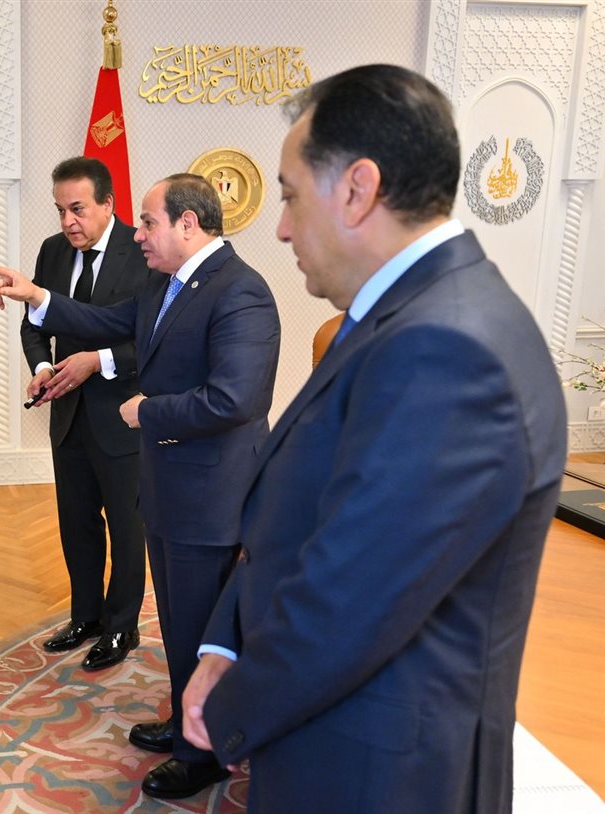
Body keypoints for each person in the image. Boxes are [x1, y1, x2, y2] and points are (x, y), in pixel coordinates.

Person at [183, 64, 567, 814]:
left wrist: (226, 712)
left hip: (380, 775)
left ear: (358, 190)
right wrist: (226, 641)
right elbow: (296, 512)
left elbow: (350, 599)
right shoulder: (405, 316)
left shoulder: (450, 348)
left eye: (290, 195)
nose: (282, 226)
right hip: (340, 740)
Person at [0, 173, 280, 800]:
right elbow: (99, 319)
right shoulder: (163, 283)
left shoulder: (241, 292)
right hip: (170, 486)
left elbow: (235, 399)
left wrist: (147, 411)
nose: (138, 233)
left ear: (188, 224)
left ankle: (203, 754)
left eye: (147, 222)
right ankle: (185, 719)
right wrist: (36, 295)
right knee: (178, 622)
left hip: (210, 495)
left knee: (203, 626)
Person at [21, 157, 151, 671]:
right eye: (60, 210)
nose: (67, 222)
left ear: (107, 204)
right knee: (76, 524)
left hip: (121, 417)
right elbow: (34, 324)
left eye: (77, 209)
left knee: (126, 527)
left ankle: (122, 628)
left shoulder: (142, 252)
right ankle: (86, 617)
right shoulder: (52, 251)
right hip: (68, 415)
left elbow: (152, 341)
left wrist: (97, 362)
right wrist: (43, 367)